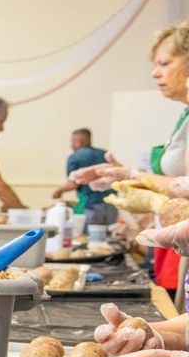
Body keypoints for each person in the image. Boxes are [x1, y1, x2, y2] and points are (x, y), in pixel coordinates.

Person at [72, 21, 189, 296]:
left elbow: (183, 186)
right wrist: (124, 177)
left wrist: (131, 176)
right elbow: (174, 183)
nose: (155, 73)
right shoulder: (184, 116)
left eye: (164, 63)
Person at [50, 128, 116, 225]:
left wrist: (59, 191)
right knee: (107, 238)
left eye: (72, 142)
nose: (71, 145)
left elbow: (73, 184)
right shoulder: (105, 154)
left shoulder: (75, 157)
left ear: (79, 142)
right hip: (112, 206)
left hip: (91, 207)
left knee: (88, 237)